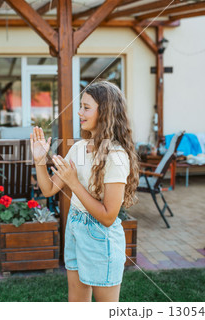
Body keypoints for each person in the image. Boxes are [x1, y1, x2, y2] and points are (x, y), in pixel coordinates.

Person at [30, 81, 139, 302]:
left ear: (105, 112)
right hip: (75, 228)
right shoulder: (79, 148)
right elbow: (49, 189)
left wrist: (74, 184)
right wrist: (40, 160)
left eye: (86, 107)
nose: (79, 112)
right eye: (81, 106)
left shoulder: (116, 156)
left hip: (101, 238)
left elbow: (108, 217)